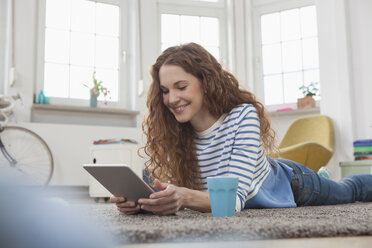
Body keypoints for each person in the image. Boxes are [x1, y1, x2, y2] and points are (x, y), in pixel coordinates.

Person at [110, 43, 372, 216]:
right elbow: (173, 190)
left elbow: (231, 201)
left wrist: (181, 196)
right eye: (165, 91)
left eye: (181, 87)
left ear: (205, 82)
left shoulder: (242, 116)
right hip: (263, 178)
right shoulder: (175, 131)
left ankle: (323, 178)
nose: (171, 99)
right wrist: (143, 203)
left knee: (349, 191)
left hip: (293, 184)